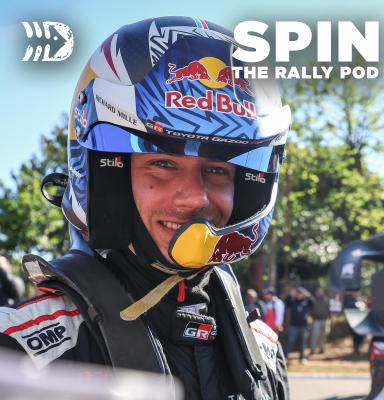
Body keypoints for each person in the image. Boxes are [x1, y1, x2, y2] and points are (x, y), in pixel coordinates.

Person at [0, 17, 292, 400]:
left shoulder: (264, 348)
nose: (195, 198)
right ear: (110, 175)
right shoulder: (22, 354)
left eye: (218, 169)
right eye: (163, 163)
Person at [284, 287, 314, 364]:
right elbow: (286, 301)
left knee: (303, 342)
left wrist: (308, 295)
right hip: (293, 325)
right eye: (298, 293)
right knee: (290, 341)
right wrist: (290, 295)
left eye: (301, 293)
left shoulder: (306, 301)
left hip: (303, 325)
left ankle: (302, 357)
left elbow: (313, 303)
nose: (299, 295)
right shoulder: (293, 301)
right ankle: (285, 357)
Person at [309, 287, 331, 355]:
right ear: (316, 292)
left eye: (320, 291)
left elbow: (329, 310)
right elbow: (310, 310)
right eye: (318, 291)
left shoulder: (325, 299)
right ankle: (313, 348)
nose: (319, 293)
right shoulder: (313, 300)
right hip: (316, 320)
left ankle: (322, 347)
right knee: (315, 334)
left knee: (324, 334)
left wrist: (331, 319)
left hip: (325, 319)